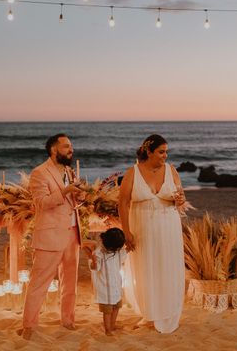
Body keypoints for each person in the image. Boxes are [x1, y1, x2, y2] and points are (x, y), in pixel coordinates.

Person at [19, 134, 86, 340]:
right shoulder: (39, 172)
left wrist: (81, 194)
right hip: (50, 234)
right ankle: (29, 325)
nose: (70, 150)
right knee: (39, 281)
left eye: (71, 146)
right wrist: (66, 190)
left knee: (70, 281)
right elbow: (41, 203)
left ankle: (68, 320)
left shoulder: (69, 171)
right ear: (53, 150)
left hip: (72, 233)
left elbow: (74, 202)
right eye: (66, 147)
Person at [118, 134, 186, 333]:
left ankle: (168, 311)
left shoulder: (171, 170)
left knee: (168, 268)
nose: (165, 155)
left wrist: (180, 200)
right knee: (145, 269)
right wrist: (126, 231)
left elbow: (181, 199)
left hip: (169, 227)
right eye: (161, 152)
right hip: (142, 227)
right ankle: (149, 314)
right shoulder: (133, 173)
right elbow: (122, 203)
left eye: (166, 152)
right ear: (148, 152)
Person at [84, 227, 127, 336]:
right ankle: (108, 329)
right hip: (105, 288)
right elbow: (95, 267)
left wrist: (129, 248)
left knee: (116, 307)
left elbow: (123, 256)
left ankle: (112, 325)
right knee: (107, 311)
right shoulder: (99, 253)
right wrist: (92, 259)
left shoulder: (117, 251)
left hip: (116, 285)